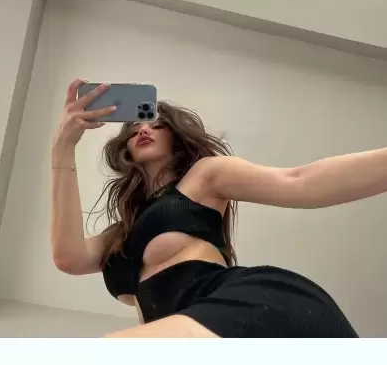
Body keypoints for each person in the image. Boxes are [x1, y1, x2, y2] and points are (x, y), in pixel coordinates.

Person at [50, 77, 386, 338]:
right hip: (194, 332)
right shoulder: (120, 236)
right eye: (134, 128)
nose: (144, 129)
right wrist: (63, 146)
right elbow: (68, 257)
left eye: (157, 123)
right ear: (125, 149)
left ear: (176, 136)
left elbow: (298, 180)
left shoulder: (204, 177)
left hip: (249, 306)